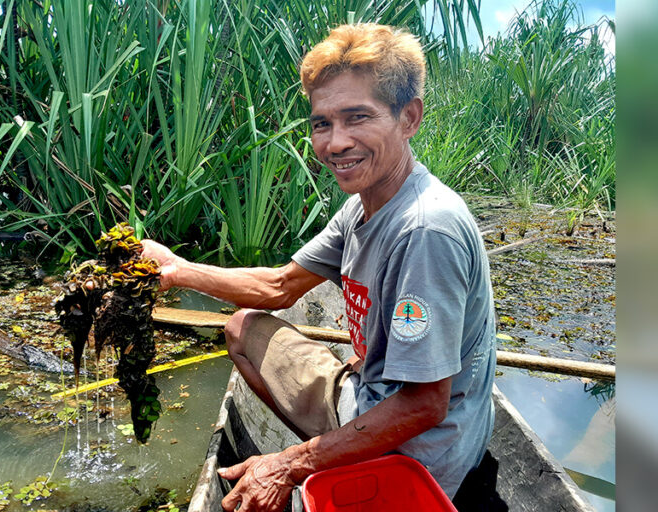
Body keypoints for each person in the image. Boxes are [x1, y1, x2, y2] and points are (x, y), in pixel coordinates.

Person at [140, 23, 496, 512]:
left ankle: (335, 466)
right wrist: (176, 268)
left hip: (419, 455)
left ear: (408, 118)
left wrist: (289, 463)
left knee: (290, 464)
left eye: (357, 118)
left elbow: (424, 405)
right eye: (322, 123)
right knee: (244, 328)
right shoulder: (363, 205)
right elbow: (279, 286)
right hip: (373, 400)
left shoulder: (424, 230)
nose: (335, 142)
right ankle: (334, 453)